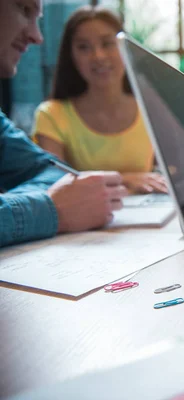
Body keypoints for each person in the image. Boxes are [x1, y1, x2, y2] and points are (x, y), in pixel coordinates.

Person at [0, 0, 127, 248]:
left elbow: (55, 174)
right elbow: (63, 193)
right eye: (24, 9)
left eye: (107, 44)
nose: (37, 37)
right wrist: (50, 208)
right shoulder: (52, 113)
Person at [32, 6, 166, 194]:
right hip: (86, 221)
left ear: (124, 48)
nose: (98, 56)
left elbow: (170, 175)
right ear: (71, 56)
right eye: (83, 47)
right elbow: (53, 184)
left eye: (107, 43)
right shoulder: (51, 114)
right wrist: (125, 179)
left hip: (151, 217)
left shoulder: (151, 108)